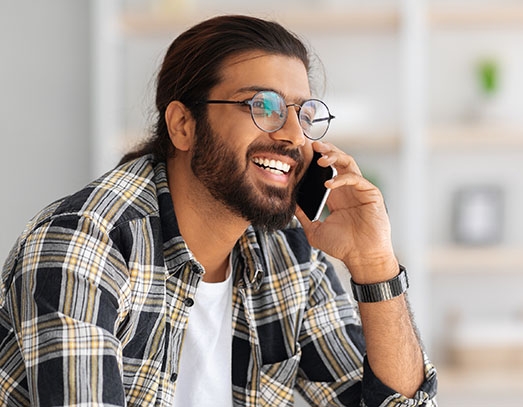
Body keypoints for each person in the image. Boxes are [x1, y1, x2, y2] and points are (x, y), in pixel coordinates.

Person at [0, 15, 437, 407]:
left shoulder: (288, 249)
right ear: (183, 126)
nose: (292, 136)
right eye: (261, 106)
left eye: (303, 113)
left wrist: (374, 263)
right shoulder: (82, 244)